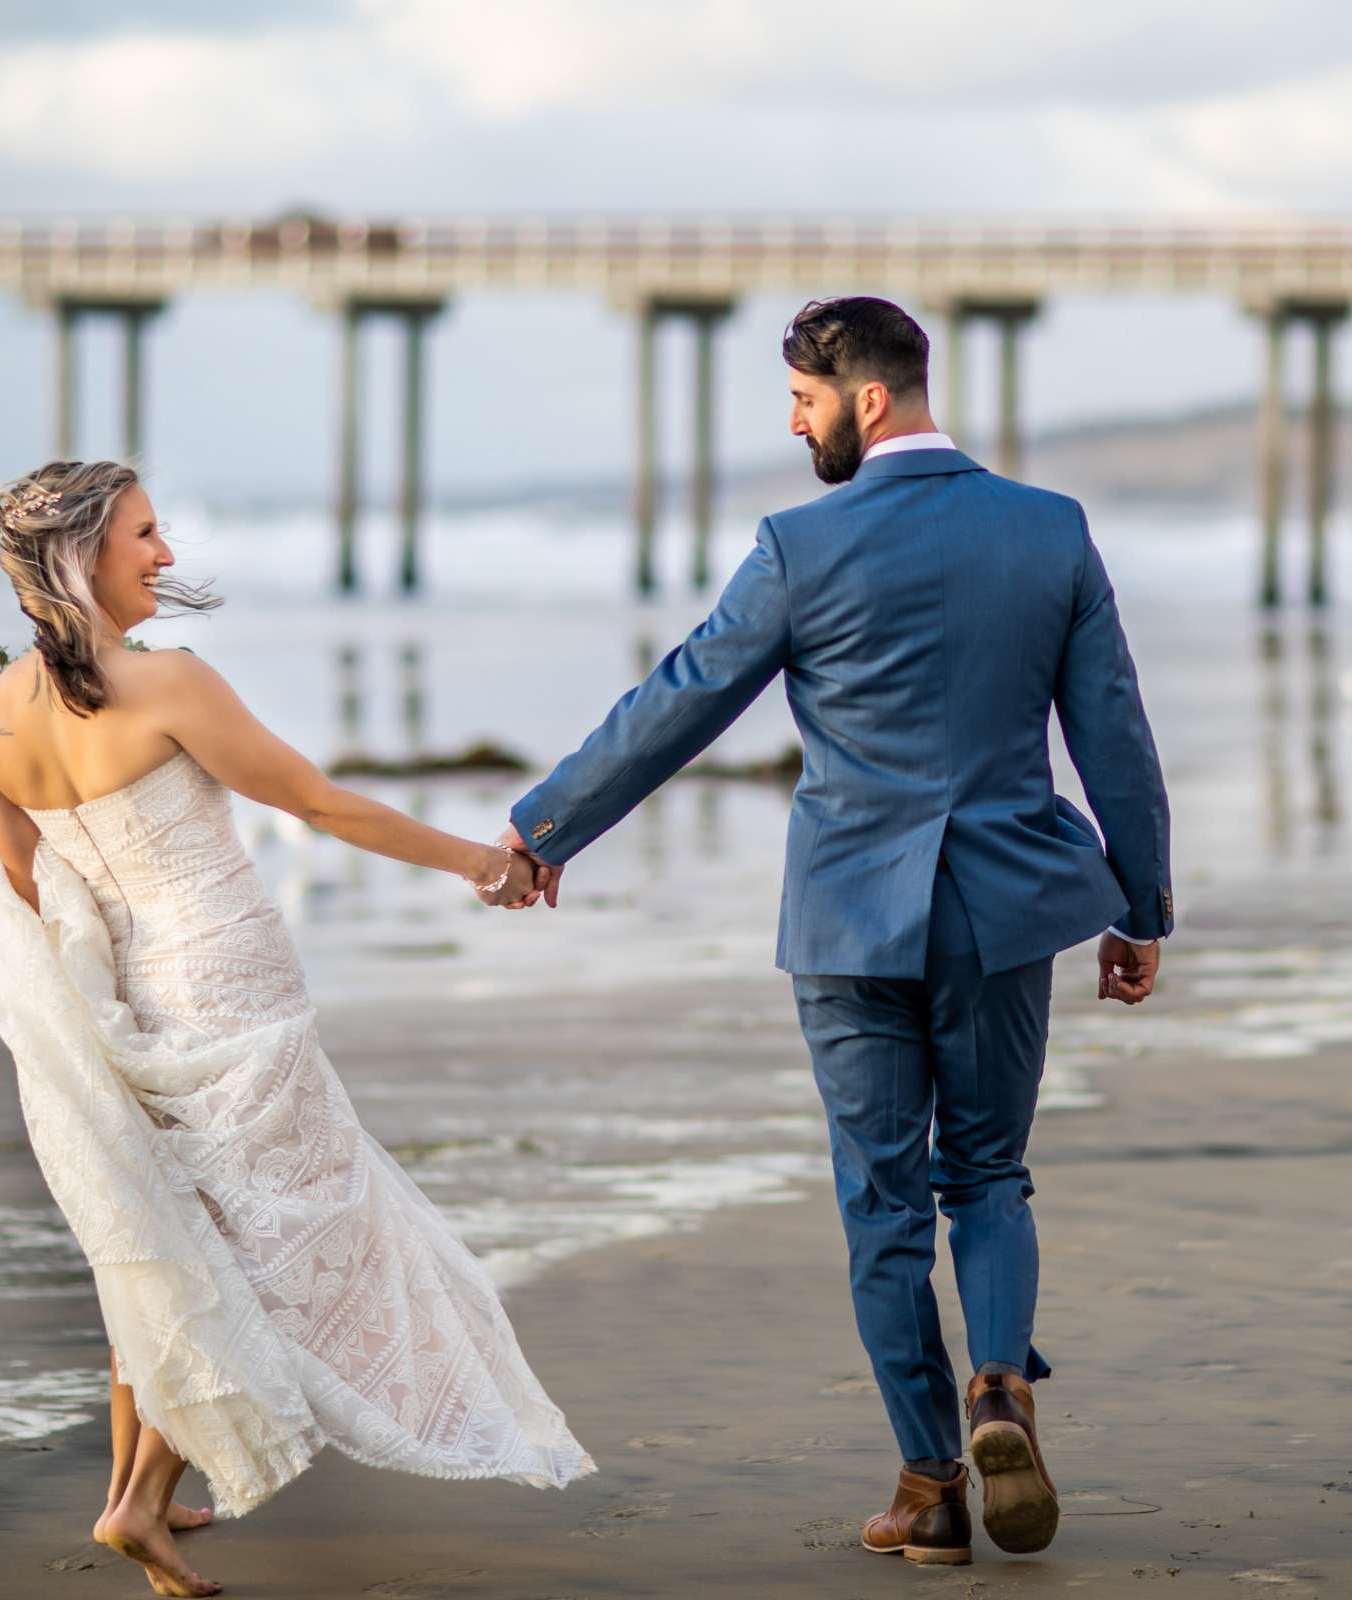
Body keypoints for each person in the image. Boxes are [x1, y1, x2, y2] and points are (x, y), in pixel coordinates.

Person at [496, 296, 1172, 1567]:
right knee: (988, 1172)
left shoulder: (800, 545)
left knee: (881, 1206)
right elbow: (1115, 738)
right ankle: (999, 1394)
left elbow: (682, 703)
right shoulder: (1050, 531)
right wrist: (1142, 908)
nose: (793, 421)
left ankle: (928, 1488)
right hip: (1004, 910)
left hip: (852, 922)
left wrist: (547, 828)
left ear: (867, 400)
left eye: (804, 400)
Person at [0, 461, 591, 1598]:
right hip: (228, 991)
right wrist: (482, 865)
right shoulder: (167, 685)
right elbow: (316, 802)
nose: (164, 555)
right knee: (254, 1247)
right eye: (145, 536)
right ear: (84, 555)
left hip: (132, 1005)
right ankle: (139, 1505)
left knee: (161, 1232)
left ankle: (137, 1484)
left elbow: (34, 891)